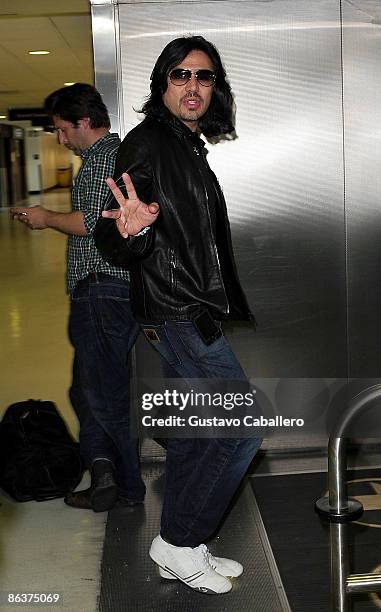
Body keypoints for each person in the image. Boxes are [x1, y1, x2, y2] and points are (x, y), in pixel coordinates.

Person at [95, 36, 262, 594]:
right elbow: (112, 231)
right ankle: (178, 541)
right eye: (181, 76)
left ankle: (181, 544)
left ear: (215, 88)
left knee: (198, 435)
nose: (193, 87)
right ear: (162, 84)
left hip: (185, 309)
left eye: (204, 77)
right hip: (178, 312)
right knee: (239, 429)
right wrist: (130, 228)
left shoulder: (187, 144)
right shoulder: (147, 144)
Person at [11, 83, 145, 512]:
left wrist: (44, 216)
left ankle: (126, 487)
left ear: (84, 122)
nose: (60, 139)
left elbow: (90, 224)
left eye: (62, 130)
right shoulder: (112, 155)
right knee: (87, 389)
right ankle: (104, 469)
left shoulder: (101, 160)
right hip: (110, 290)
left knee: (103, 396)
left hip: (101, 291)